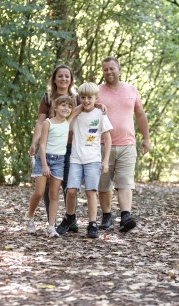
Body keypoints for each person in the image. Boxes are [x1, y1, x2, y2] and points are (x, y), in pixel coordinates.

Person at [97, 56, 150, 233]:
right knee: (104, 184)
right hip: (102, 145)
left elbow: (140, 115)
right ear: (102, 72)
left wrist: (146, 138)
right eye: (105, 69)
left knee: (125, 182)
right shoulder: (97, 92)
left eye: (112, 68)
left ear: (118, 69)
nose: (109, 72)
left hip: (127, 144)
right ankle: (106, 216)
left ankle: (126, 216)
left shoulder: (131, 90)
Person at [56, 82, 113, 238]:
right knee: (71, 190)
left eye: (90, 97)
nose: (86, 101)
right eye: (83, 97)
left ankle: (92, 223)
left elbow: (108, 138)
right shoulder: (76, 114)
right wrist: (75, 111)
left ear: (96, 98)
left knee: (90, 192)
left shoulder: (100, 114)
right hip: (76, 158)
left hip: (93, 159)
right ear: (79, 98)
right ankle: (69, 217)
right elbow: (64, 127)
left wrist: (106, 160)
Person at [24, 95, 82, 237]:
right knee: (39, 192)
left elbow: (81, 107)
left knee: (54, 195)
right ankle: (29, 217)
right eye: (63, 105)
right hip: (44, 159)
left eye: (69, 106)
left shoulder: (68, 122)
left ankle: (51, 227)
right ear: (55, 107)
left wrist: (99, 106)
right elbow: (42, 145)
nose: (66, 108)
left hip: (59, 161)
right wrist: (44, 165)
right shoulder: (48, 123)